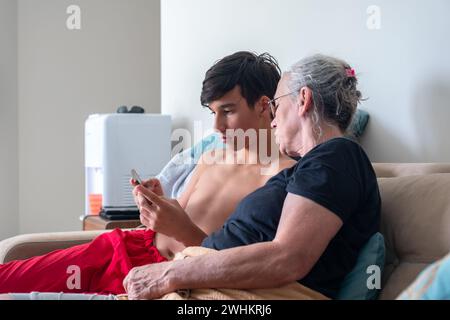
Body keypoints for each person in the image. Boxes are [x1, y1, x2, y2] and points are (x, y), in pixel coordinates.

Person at [0, 51, 295, 296]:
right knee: (7, 279)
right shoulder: (210, 155)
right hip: (127, 246)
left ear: (264, 105)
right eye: (212, 112)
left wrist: (179, 228)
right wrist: (158, 201)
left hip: (163, 276)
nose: (216, 126)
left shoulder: (280, 180)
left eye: (227, 111)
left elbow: (236, 264)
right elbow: (182, 211)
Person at [123, 54, 382, 300]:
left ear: (303, 100)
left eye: (277, 105)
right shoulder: (306, 170)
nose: (272, 121)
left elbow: (287, 259)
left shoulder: (337, 156)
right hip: (205, 285)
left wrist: (169, 274)